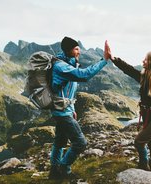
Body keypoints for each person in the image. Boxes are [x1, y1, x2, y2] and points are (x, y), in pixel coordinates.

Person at [105, 42, 151, 172]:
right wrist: (113, 58)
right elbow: (128, 69)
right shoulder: (144, 77)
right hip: (147, 115)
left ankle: (143, 165)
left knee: (139, 141)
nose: (143, 61)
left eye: (146, 59)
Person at [49, 36, 110, 179]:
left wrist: (73, 109)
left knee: (60, 141)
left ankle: (54, 171)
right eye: (76, 49)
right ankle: (64, 168)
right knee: (80, 143)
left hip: (64, 110)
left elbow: (68, 90)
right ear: (68, 50)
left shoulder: (68, 64)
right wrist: (104, 60)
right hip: (62, 112)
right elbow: (84, 76)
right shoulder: (61, 66)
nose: (79, 52)